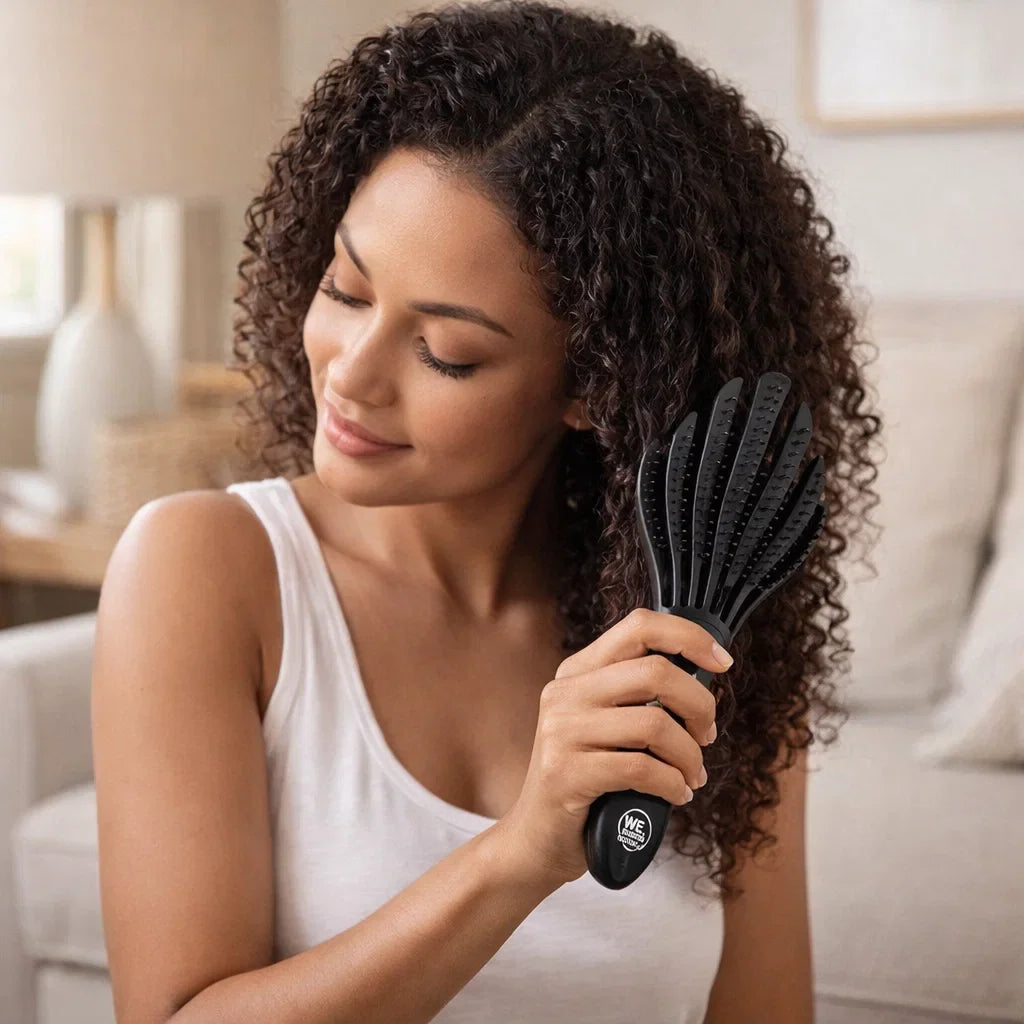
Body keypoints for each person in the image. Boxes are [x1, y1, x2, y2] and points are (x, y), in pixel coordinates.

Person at [91, 2, 881, 1022]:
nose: (353, 375)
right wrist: (518, 853)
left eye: (446, 352)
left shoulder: (703, 630)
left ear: (595, 382)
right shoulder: (208, 569)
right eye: (345, 287)